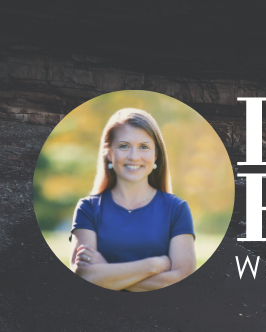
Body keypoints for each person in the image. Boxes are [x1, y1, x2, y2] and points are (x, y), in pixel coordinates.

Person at [69, 108, 196, 291]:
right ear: (109, 154)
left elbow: (182, 278)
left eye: (144, 147)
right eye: (124, 146)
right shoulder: (88, 208)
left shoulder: (176, 209)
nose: (134, 156)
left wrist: (106, 274)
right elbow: (85, 276)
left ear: (156, 155)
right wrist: (153, 265)